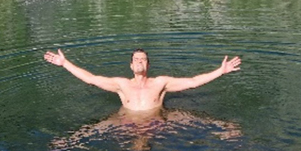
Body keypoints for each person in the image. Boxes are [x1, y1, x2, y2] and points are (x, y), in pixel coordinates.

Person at [43, 48, 241, 112]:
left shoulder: (160, 83)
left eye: (143, 59)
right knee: (87, 133)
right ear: (131, 66)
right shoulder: (121, 84)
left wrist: (220, 71)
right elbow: (91, 79)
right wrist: (64, 63)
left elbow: (193, 81)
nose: (139, 62)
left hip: (157, 122)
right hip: (126, 123)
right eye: (136, 60)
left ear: (148, 65)